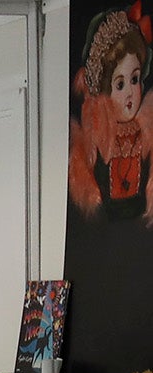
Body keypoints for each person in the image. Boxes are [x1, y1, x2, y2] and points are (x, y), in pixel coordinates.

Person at [70, 9, 153, 221]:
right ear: (104, 91)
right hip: (106, 228)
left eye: (134, 80)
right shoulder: (97, 137)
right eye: (120, 84)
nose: (129, 93)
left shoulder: (146, 129)